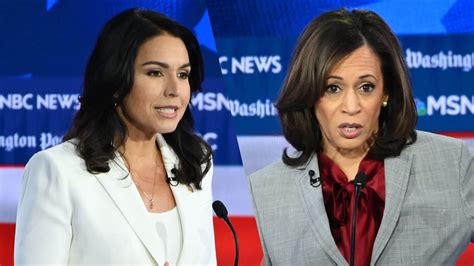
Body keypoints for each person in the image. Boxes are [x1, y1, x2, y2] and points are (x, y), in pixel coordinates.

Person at [248, 8, 473, 265]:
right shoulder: (268, 188)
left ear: (386, 92)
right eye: (333, 88)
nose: (351, 106)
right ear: (309, 93)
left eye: (366, 87)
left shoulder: (450, 163)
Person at [14, 8, 216, 265]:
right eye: (155, 72)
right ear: (115, 79)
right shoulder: (57, 170)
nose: (175, 89)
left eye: (183, 74)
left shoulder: (195, 163)